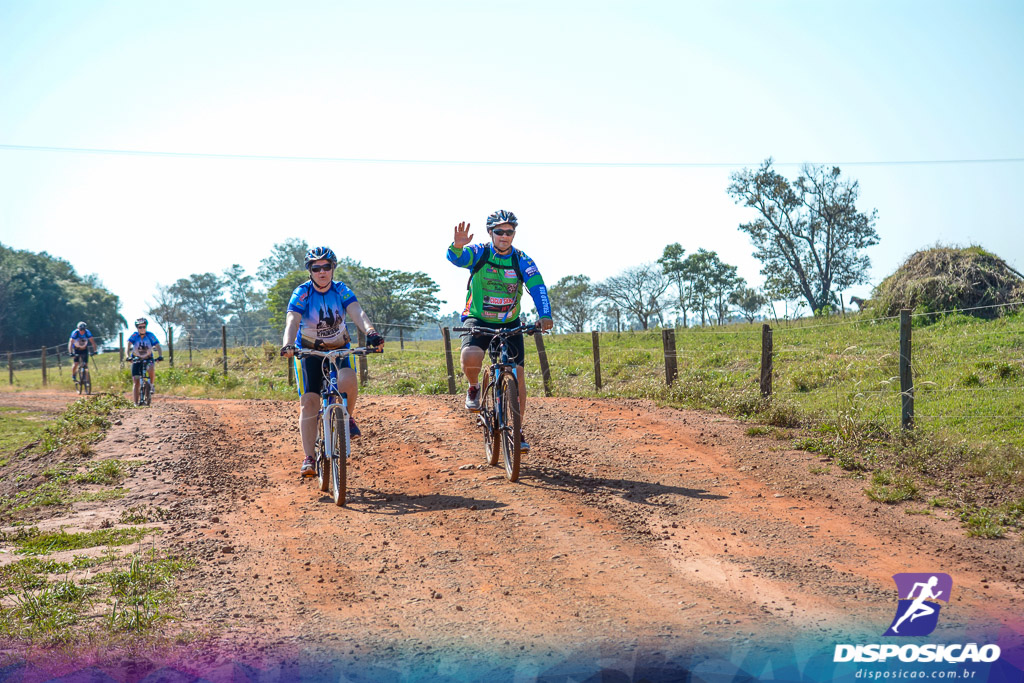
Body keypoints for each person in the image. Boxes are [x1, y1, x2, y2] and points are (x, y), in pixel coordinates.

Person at [446, 209, 553, 451]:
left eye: (509, 232)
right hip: (478, 318)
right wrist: (457, 246)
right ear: (490, 233)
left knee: (518, 375)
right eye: (499, 231)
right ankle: (474, 387)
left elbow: (538, 287)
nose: (505, 236)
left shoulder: (521, 259)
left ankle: (518, 430)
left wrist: (545, 315)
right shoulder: (480, 253)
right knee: (470, 356)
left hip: (510, 322)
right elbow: (457, 259)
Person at [280, 246, 384, 477]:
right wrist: (288, 344)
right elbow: (292, 320)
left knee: (348, 379)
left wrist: (372, 333)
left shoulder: (341, 290)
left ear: (333, 268)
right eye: (316, 268)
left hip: (339, 349)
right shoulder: (302, 293)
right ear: (310, 271)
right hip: (309, 352)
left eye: (326, 266)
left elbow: (358, 313)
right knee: (309, 401)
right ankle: (309, 457)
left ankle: (346, 416)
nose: (322, 272)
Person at [126, 317, 162, 404]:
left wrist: (160, 355)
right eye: (140, 327)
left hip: (148, 358)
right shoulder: (134, 336)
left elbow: (157, 345)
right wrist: (127, 356)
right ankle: (135, 402)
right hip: (136, 359)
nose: (142, 329)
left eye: (143, 327)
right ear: (137, 328)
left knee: (151, 368)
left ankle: (151, 385)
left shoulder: (150, 335)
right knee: (136, 381)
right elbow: (128, 345)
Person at [68, 321, 98, 386]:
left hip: (84, 349)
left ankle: (86, 380)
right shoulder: (75, 333)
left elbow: (93, 342)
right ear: (78, 329)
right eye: (81, 329)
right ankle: (73, 375)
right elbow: (70, 343)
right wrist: (71, 352)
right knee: (76, 363)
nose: (82, 331)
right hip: (76, 349)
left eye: (83, 329)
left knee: (86, 365)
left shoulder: (87, 332)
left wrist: (95, 351)